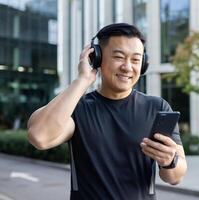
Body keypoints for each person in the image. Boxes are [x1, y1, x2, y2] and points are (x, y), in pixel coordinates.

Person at [27, 23, 187, 200]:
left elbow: (175, 177)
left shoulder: (157, 108)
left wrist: (169, 161)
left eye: (135, 59)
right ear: (97, 58)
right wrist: (82, 80)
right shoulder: (77, 108)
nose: (127, 67)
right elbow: (39, 137)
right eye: (119, 57)